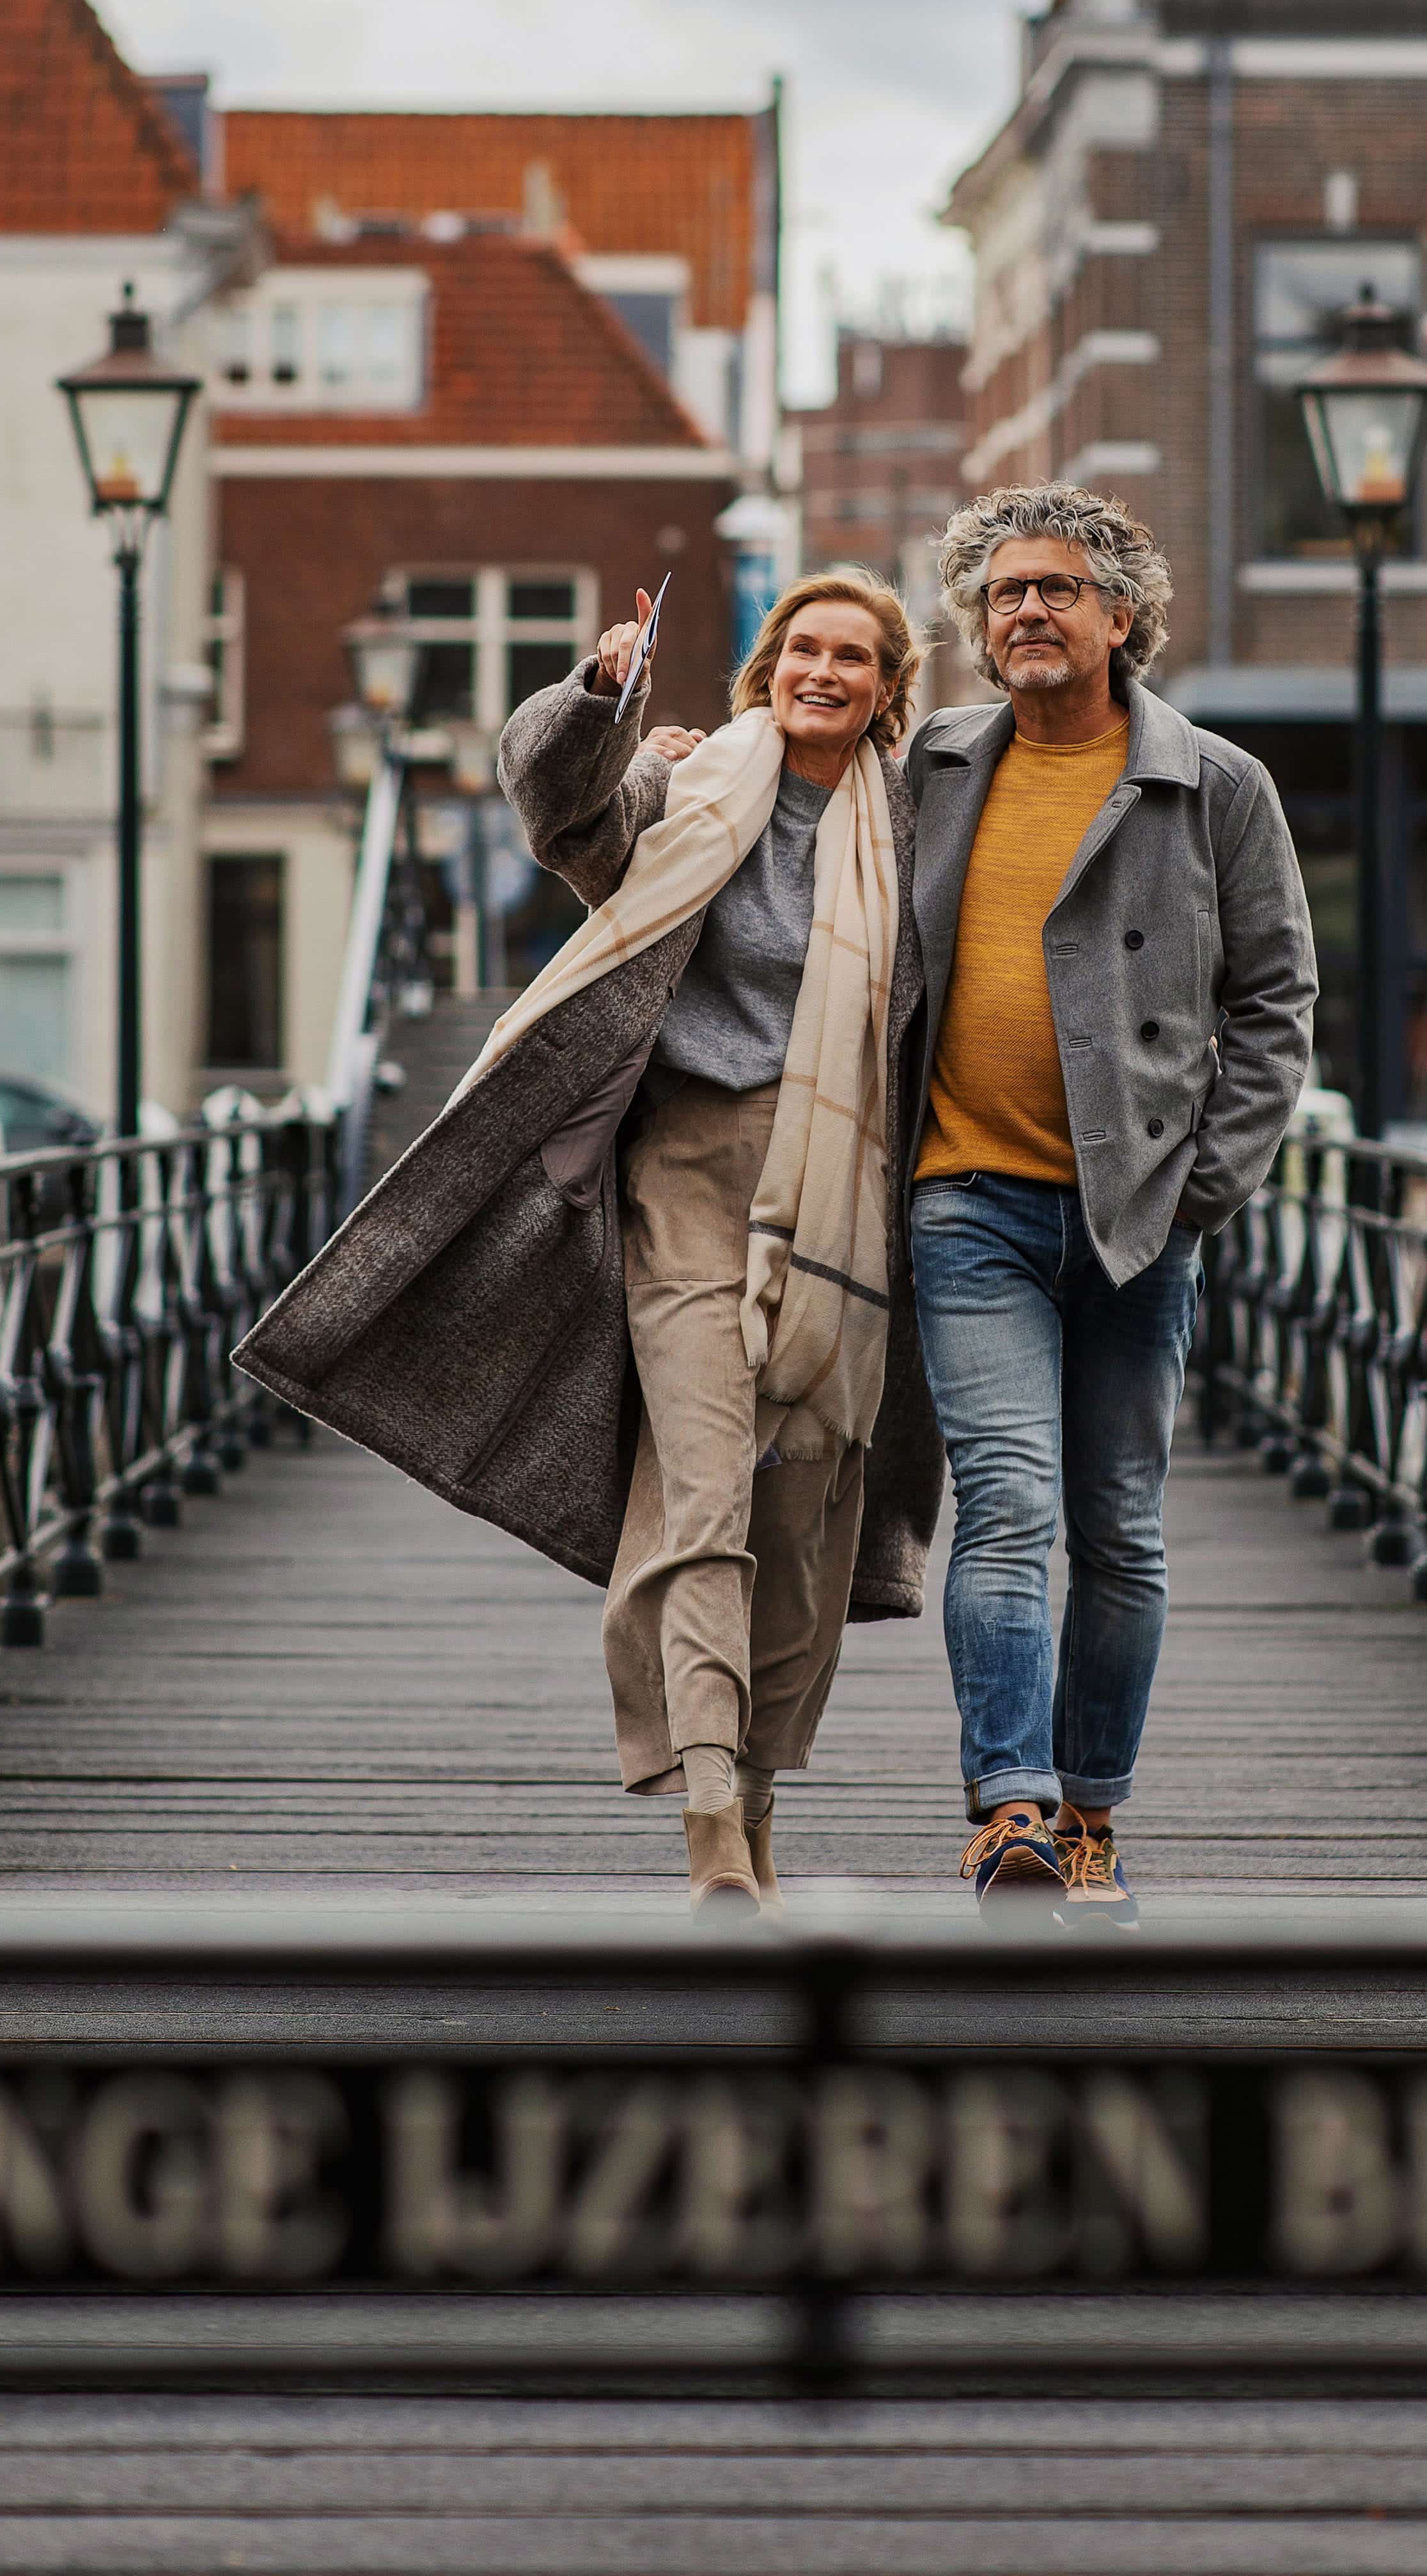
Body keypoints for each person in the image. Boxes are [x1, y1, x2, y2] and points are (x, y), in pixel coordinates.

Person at [237, 569, 942, 1911]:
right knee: (700, 1500)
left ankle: (762, 1779)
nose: (824, 673)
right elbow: (554, 803)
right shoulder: (684, 793)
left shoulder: (909, 832)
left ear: (887, 689)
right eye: (803, 649)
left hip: (841, 1193)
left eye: (855, 657)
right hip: (681, 1177)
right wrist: (601, 699)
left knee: (799, 1516)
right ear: (765, 666)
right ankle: (713, 1820)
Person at [905, 485, 1315, 1914]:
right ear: (976, 624)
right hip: (967, 1200)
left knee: (1120, 1528)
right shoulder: (932, 771)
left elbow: (1275, 999)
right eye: (1004, 592)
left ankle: (1090, 1809)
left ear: (1117, 617)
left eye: (1058, 590)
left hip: (1140, 1216)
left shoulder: (1215, 784)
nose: (1028, 610)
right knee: (1006, 1504)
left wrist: (1207, 1186)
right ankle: (1005, 1804)